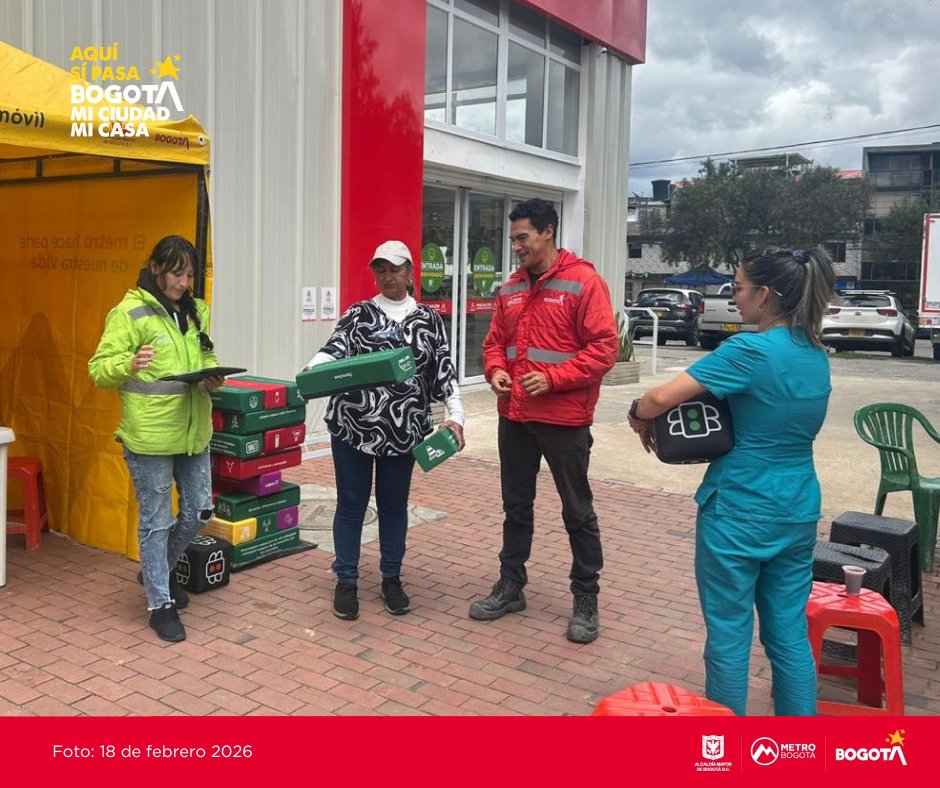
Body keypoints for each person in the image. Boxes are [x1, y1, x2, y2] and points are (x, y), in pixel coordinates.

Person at [628, 247, 835, 715]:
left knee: (728, 635)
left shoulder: (750, 350)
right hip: (798, 507)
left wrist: (637, 414)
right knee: (788, 636)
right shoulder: (816, 353)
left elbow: (661, 396)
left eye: (738, 288)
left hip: (738, 509)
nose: (733, 296)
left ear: (764, 295)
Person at [468, 198, 618, 643]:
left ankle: (586, 598)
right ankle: (511, 585)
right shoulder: (510, 288)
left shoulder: (584, 282)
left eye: (522, 237)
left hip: (563, 418)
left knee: (577, 510)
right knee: (516, 506)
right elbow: (496, 342)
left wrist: (551, 379)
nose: (516, 246)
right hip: (513, 415)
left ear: (548, 232)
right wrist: (495, 369)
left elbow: (604, 349)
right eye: (512, 238)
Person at [305, 240, 465, 621]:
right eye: (380, 269)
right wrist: (313, 369)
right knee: (351, 505)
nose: (386, 276)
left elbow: (443, 372)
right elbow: (335, 349)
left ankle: (391, 578)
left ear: (410, 272)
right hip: (353, 428)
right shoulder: (359, 314)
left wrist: (457, 415)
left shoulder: (428, 320)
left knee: (394, 507)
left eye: (394, 269)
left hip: (404, 432)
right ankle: (346, 580)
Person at [88, 235, 226, 643]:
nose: (184, 283)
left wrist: (212, 377)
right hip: (149, 438)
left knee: (200, 511)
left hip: (193, 432)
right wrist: (128, 363)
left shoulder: (197, 310)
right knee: (156, 521)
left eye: (189, 274)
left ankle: (155, 572)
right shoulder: (129, 313)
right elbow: (98, 369)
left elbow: (205, 358)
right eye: (176, 274)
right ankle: (159, 604)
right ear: (156, 269)